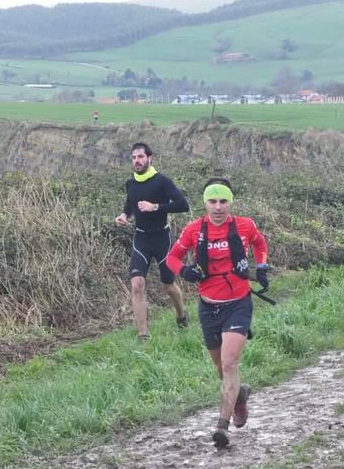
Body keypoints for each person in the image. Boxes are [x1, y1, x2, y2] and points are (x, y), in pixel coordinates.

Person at [165, 177, 270, 449]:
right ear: (205, 204)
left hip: (239, 303)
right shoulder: (193, 230)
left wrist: (262, 267)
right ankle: (239, 396)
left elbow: (260, 244)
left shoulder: (245, 225)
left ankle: (222, 427)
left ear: (230, 202)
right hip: (209, 306)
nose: (218, 207)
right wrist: (184, 271)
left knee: (229, 363)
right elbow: (172, 258)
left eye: (223, 201)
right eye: (213, 201)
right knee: (220, 368)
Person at [114, 142, 190, 340]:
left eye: (140, 157)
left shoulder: (162, 181)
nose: (137, 161)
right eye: (133, 157)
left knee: (168, 286)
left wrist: (155, 207)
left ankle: (182, 315)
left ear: (150, 158)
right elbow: (130, 203)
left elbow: (183, 205)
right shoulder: (130, 183)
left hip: (161, 239)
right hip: (141, 239)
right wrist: (124, 216)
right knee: (137, 285)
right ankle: (143, 335)